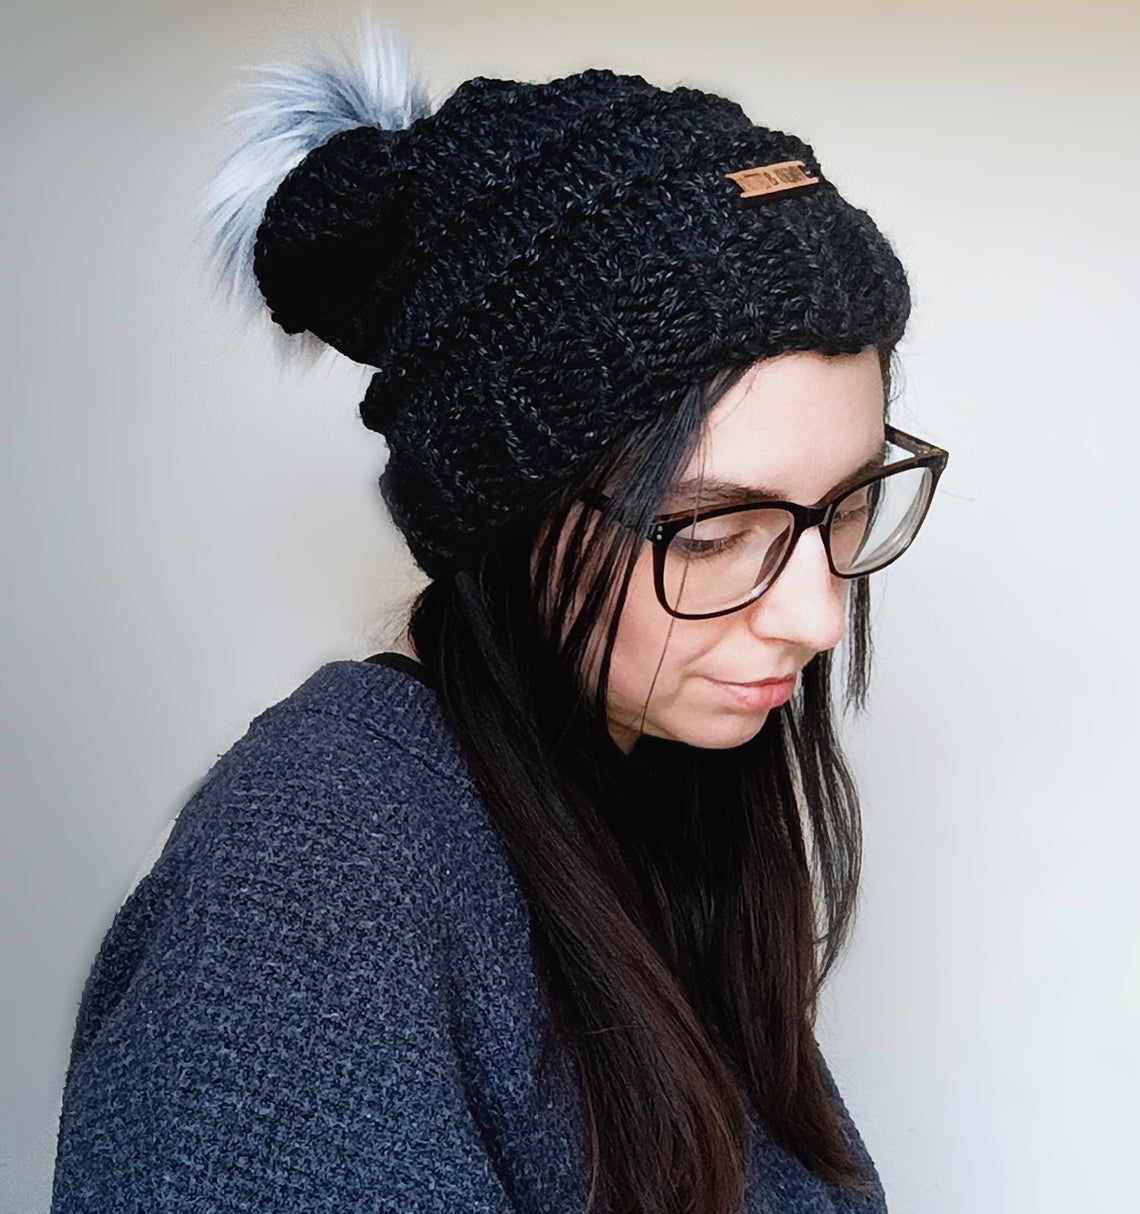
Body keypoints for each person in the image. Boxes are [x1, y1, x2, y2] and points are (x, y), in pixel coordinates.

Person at [50, 28, 947, 1214]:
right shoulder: (319, 870)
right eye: (714, 532)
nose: (819, 614)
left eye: (840, 509)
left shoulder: (640, 793)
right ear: (507, 515)